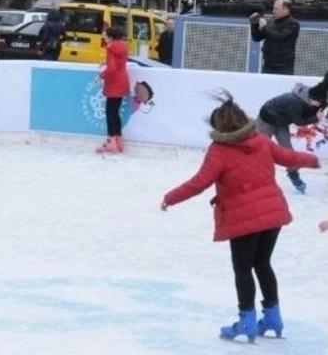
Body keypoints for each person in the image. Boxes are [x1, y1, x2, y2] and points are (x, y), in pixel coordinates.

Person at [160, 92, 319, 343]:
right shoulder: (260, 140)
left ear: (217, 126)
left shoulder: (220, 150)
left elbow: (199, 183)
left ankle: (247, 321)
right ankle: (273, 318)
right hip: (273, 214)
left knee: (243, 269)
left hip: (243, 219)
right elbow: (288, 157)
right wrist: (313, 160)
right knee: (263, 264)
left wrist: (170, 197)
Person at [255, 75, 327, 193]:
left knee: (288, 150)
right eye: (320, 103)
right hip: (267, 119)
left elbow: (319, 104)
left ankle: (294, 176)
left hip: (282, 121)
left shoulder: (318, 100)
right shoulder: (294, 102)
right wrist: (315, 117)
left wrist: (317, 113)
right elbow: (299, 122)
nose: (322, 105)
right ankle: (251, 175)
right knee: (259, 148)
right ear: (313, 100)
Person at [96, 28, 129, 154]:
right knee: (115, 112)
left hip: (114, 83)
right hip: (122, 80)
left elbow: (112, 69)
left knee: (110, 113)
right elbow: (119, 62)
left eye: (105, 36)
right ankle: (118, 141)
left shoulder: (111, 48)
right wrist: (107, 61)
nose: (104, 38)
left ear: (110, 36)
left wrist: (101, 76)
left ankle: (111, 142)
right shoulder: (122, 46)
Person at [250, 0, 299, 75]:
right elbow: (256, 38)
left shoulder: (293, 24)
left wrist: (264, 27)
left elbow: (278, 37)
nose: (273, 11)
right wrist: (254, 24)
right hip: (267, 65)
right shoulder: (271, 22)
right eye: (273, 8)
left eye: (276, 9)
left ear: (285, 9)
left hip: (283, 68)